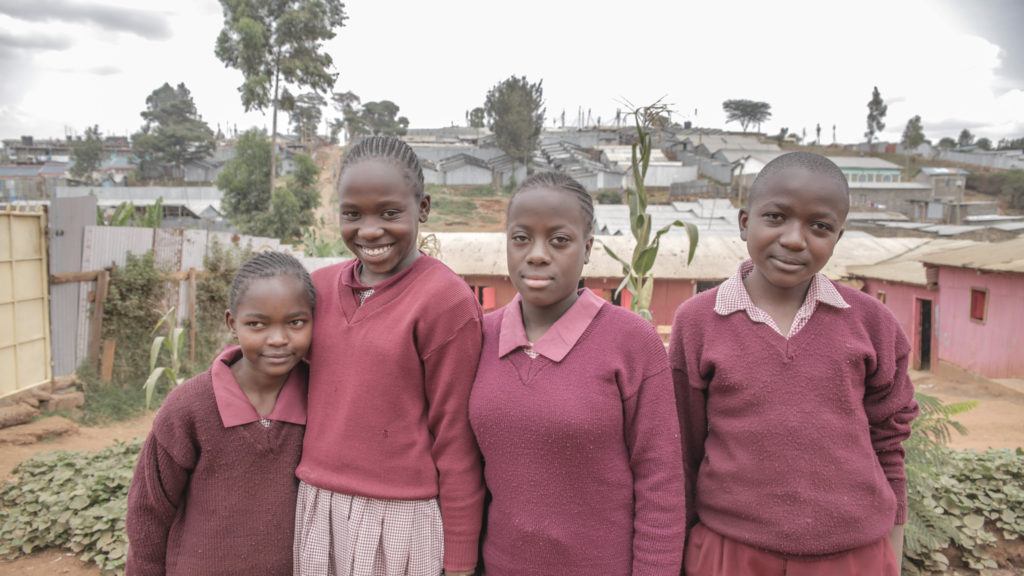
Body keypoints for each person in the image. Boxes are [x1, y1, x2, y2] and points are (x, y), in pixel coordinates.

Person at [671, 152, 919, 576]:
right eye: (776, 217)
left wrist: (891, 543)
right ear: (745, 221)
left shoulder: (872, 324)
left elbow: (889, 441)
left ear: (838, 237)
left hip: (854, 554)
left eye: (819, 226)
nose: (793, 239)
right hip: (730, 551)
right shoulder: (698, 322)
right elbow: (684, 447)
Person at [469, 172, 685, 576]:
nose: (536, 254)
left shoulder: (631, 341)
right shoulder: (479, 337)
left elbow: (661, 484)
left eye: (559, 240)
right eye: (521, 238)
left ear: (587, 249)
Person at [294, 135, 483, 576]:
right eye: (352, 214)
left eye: (390, 212)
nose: (370, 230)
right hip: (318, 506)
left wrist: (459, 560)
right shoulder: (315, 290)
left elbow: (456, 441)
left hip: (399, 518)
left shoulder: (445, 301)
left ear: (424, 208)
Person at [125, 251, 316, 575]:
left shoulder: (322, 398)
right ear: (232, 323)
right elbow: (149, 511)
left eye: (295, 322)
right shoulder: (189, 408)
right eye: (257, 324)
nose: (278, 339)